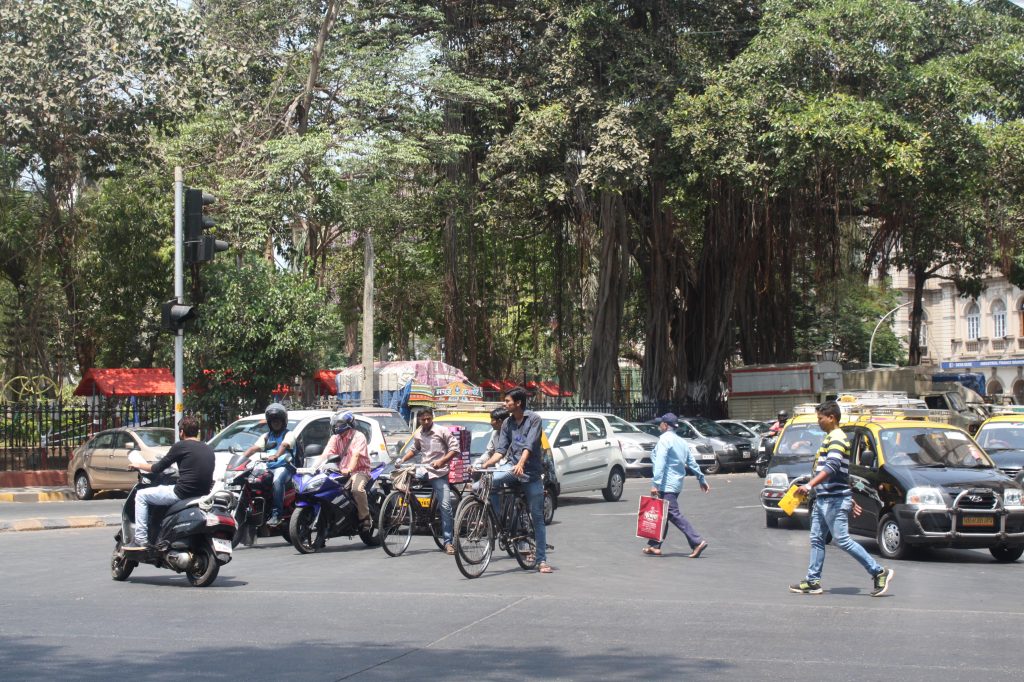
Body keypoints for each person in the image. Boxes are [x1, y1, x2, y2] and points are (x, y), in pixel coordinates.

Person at [790, 400, 894, 596]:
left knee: (842, 539)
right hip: (826, 498)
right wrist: (848, 495)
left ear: (832, 417)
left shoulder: (837, 437)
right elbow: (842, 473)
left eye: (820, 418)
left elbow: (833, 466)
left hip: (832, 500)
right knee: (817, 539)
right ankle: (813, 581)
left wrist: (809, 485)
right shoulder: (832, 437)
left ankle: (879, 571)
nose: (818, 422)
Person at [479, 386, 552, 573]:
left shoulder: (534, 419)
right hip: (511, 467)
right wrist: (487, 464)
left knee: (537, 517)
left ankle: (541, 559)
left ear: (518, 403)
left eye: (508, 401)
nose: (505, 404)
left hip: (530, 472)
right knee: (486, 481)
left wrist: (521, 463)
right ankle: (497, 521)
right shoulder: (507, 424)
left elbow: (530, 444)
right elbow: (500, 450)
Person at [124, 415, 215, 551]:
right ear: (197, 431)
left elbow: (157, 468)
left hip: (182, 493)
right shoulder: (208, 448)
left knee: (141, 495)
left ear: (182, 432)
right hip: (202, 494)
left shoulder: (181, 446)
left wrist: (138, 464)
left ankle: (140, 539)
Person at [642, 412, 711, 558]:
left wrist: (655, 484)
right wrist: (701, 478)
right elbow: (691, 462)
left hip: (666, 484)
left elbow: (660, 463)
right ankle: (654, 545)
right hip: (676, 484)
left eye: (660, 423)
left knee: (672, 513)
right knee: (663, 513)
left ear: (665, 425)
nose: (659, 425)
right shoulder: (682, 442)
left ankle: (697, 541)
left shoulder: (664, 441)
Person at [393, 407, 460, 554]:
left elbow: (454, 449)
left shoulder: (442, 431)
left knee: (445, 506)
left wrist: (442, 461)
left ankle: (448, 542)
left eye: (429, 418)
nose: (426, 421)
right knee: (403, 477)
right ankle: (415, 509)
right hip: (423, 469)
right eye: (423, 419)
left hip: (439, 472)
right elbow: (415, 449)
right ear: (419, 420)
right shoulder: (418, 433)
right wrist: (402, 459)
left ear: (432, 417)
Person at [242, 403, 296, 527]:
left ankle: (277, 514)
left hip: (285, 467)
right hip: (269, 467)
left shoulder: (288, 434)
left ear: (283, 421)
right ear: (269, 422)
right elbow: (254, 448)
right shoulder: (266, 436)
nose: (275, 423)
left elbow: (284, 445)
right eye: (273, 421)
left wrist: (276, 455)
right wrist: (241, 459)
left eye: (278, 420)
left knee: (277, 481)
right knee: (252, 480)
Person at [318, 411, 373, 531]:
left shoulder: (359, 436)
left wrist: (349, 469)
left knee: (357, 489)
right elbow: (326, 453)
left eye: (340, 424)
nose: (337, 427)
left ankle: (365, 518)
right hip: (340, 471)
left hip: (360, 471)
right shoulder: (335, 438)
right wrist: (315, 468)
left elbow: (356, 455)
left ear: (348, 423)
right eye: (336, 424)